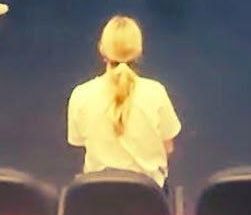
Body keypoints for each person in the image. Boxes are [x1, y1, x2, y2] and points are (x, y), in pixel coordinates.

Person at [67, 15, 181, 187]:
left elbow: (78, 140)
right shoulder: (156, 92)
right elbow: (168, 146)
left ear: (102, 49)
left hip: (96, 195)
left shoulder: (81, 94)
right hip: (149, 196)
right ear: (138, 51)